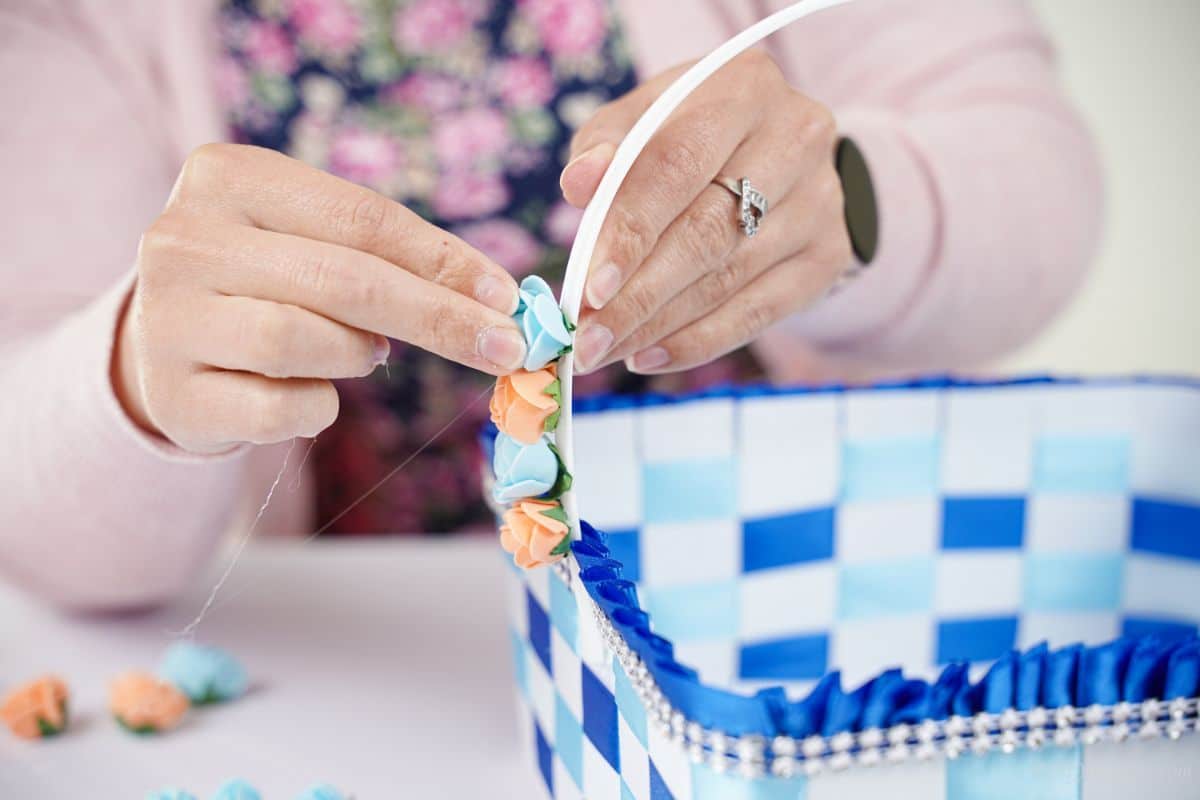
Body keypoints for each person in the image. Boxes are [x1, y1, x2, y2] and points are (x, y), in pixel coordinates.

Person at [0, 0, 1102, 610]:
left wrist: (851, 195)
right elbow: (46, 519)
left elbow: (1041, 181)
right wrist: (133, 377)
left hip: (811, 598)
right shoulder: (69, 27)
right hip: (376, 667)